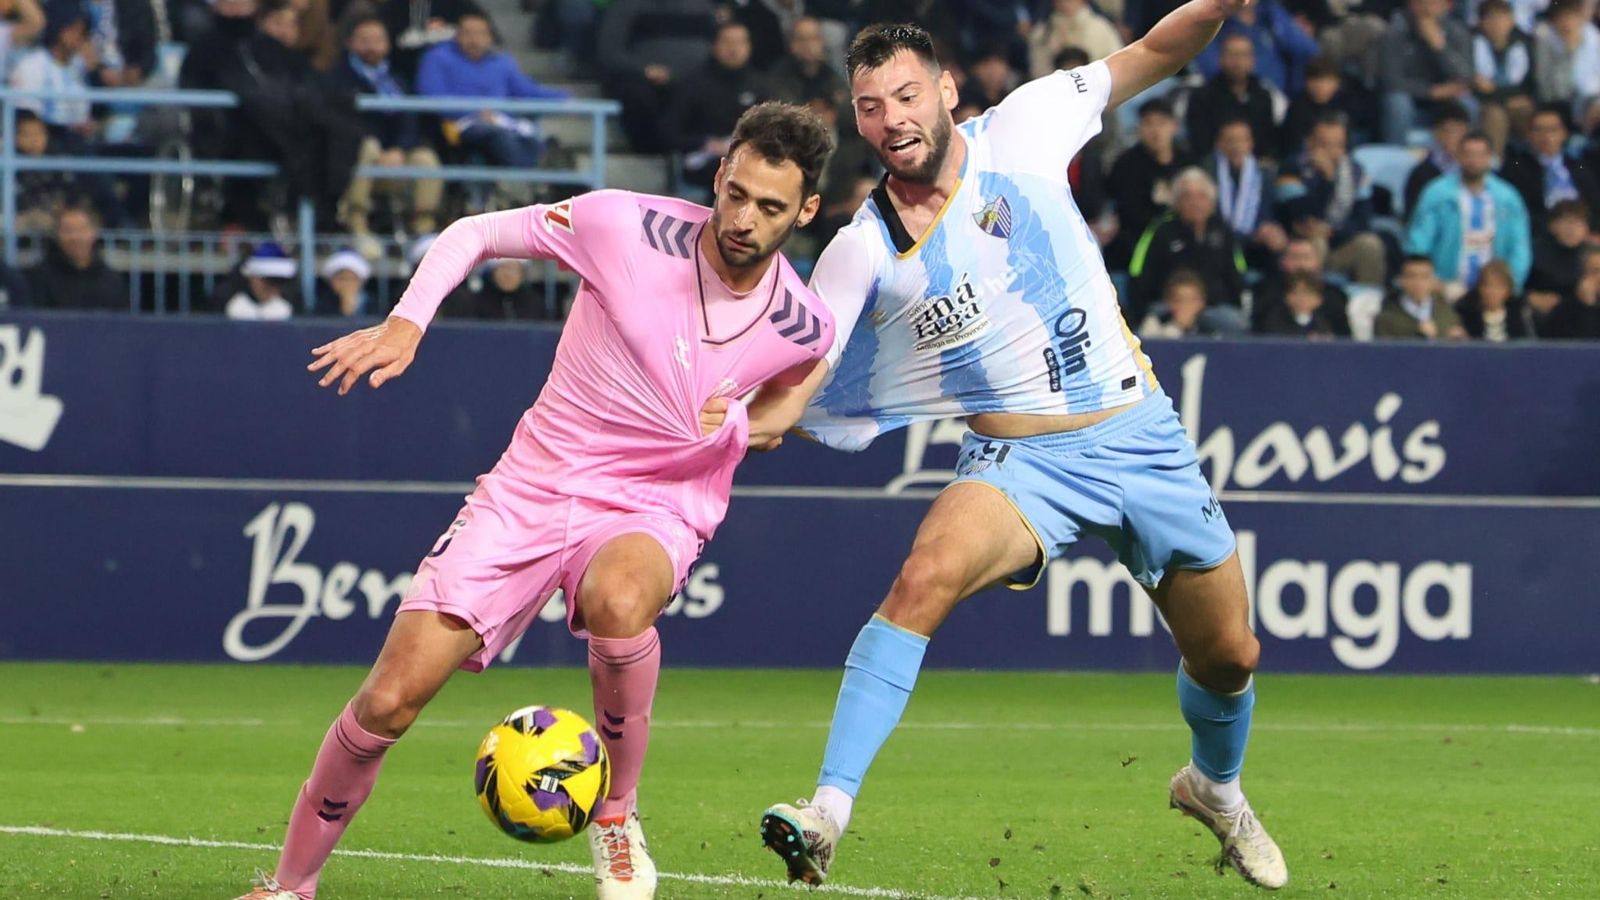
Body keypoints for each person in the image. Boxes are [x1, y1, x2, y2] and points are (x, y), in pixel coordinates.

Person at [233, 102, 837, 900]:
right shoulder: (624, 225)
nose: (744, 220)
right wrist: (408, 323)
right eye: (737, 194)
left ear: (806, 211)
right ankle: (289, 887)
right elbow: (475, 232)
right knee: (389, 700)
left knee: (620, 600)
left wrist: (742, 427)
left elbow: (792, 393)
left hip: (653, 503)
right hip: (534, 485)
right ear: (721, 174)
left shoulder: (803, 322)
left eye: (770, 207)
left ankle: (614, 813)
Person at [757, 12, 1288, 892]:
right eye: (872, 106)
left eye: (907, 95)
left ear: (946, 91)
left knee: (1231, 655)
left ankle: (1215, 790)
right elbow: (805, 371)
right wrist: (745, 419)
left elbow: (1155, 51)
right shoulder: (862, 248)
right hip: (1021, 467)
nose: (893, 118)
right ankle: (826, 814)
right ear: (857, 121)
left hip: (1138, 435)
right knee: (923, 578)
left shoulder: (1029, 122)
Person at [325, 11, 444, 256]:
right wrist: (379, 150)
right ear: (350, 43)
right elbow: (343, 123)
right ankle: (356, 224)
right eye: (364, 40)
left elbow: (410, 120)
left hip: (394, 157)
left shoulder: (397, 79)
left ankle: (422, 229)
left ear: (388, 44)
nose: (371, 47)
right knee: (366, 146)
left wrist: (400, 149)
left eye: (377, 40)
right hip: (358, 157)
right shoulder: (336, 79)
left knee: (426, 159)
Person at [416, 11, 569, 168]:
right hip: (459, 124)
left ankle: (541, 163)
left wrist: (563, 97)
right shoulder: (437, 57)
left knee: (526, 134)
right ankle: (535, 167)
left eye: (480, 34)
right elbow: (432, 96)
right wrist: (475, 111)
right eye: (467, 33)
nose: (473, 40)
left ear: (489, 38)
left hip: (501, 120)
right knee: (500, 136)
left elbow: (526, 90)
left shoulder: (501, 62)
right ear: (457, 36)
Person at [1408, 131, 1532, 293]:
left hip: (1494, 290)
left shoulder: (1508, 198)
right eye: (1468, 154)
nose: (1474, 161)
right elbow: (1419, 242)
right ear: (1458, 156)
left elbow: (1519, 247)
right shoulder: (1437, 193)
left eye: (1480, 155)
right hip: (1445, 286)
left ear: (1490, 158)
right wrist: (1428, 281)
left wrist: (1511, 285)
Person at [1128, 166, 1248, 329]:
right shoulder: (1160, 231)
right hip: (1168, 306)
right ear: (1177, 202)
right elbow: (1137, 272)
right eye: (1187, 197)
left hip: (1212, 308)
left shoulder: (1224, 231)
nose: (1195, 203)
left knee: (1236, 323)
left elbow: (1238, 275)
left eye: (1201, 196)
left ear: (1211, 203)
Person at [1184, 32, 1279, 157]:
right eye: (1232, 55)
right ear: (1221, 58)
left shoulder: (1263, 96)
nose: (1238, 61)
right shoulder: (1202, 97)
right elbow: (1199, 142)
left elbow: (1267, 141)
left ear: (1253, 60)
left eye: (1243, 55)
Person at [26, 204, 124, 311]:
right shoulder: (39, 277)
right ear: (57, 235)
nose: (75, 237)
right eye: (68, 230)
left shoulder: (111, 280)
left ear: (93, 233)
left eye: (81, 230)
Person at [1403, 101, 1470, 220]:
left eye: (1457, 131)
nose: (1451, 137)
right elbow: (1415, 214)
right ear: (1436, 133)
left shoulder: (1477, 169)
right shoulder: (1422, 173)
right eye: (1446, 131)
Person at [1375, 253, 1467, 339]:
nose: (1418, 283)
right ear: (1401, 280)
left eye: (1425, 276)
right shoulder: (1386, 319)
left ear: (1433, 280)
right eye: (1411, 276)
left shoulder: (1448, 313)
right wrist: (1419, 335)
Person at [1456, 257, 1532, 340]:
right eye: (1488, 285)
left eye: (1498, 286)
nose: (1492, 292)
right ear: (1480, 288)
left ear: (1508, 290)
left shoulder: (1521, 315)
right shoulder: (1466, 315)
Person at [224, 242, 297, 320]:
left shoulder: (283, 308)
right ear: (252, 279)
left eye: (277, 282)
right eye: (267, 281)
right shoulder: (236, 305)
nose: (272, 288)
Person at [1257, 271, 1339, 337]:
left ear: (1319, 300)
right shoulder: (1273, 322)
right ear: (1287, 297)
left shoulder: (1324, 324)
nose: (1302, 299)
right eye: (1297, 293)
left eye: (1308, 293)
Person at [1138, 268, 1215, 338]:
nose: (1186, 305)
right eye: (1180, 300)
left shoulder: (1212, 328)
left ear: (1202, 303)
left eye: (1192, 300)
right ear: (1169, 303)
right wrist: (1177, 327)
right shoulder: (1154, 324)